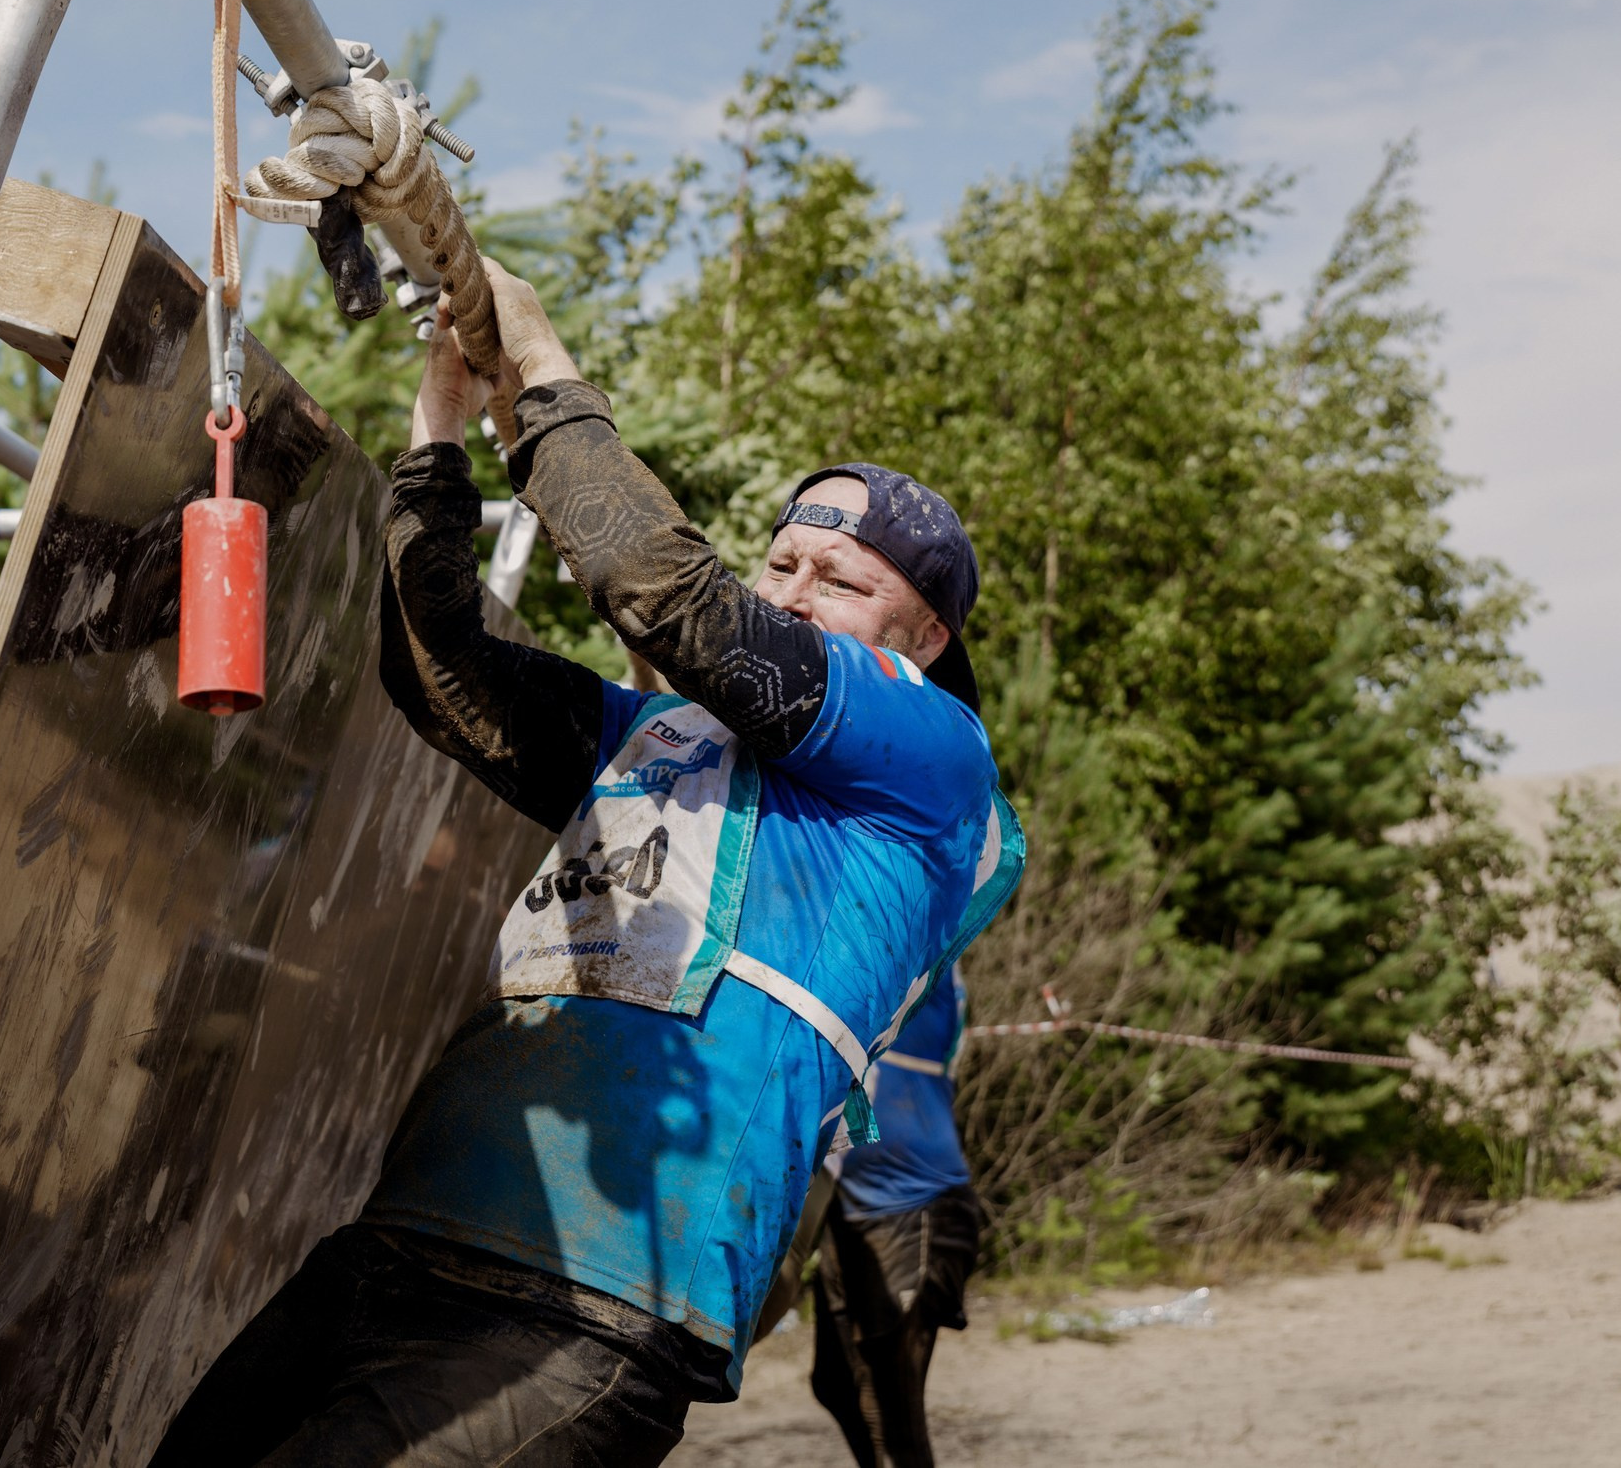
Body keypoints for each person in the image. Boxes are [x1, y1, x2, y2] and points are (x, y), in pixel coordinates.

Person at [152, 261, 1014, 1465]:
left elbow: (670, 599)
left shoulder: (928, 751)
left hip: (598, 1308)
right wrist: (442, 418)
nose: (799, 594)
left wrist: (548, 369)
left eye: (846, 582)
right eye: (783, 566)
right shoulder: (662, 743)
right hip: (406, 1238)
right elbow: (441, 673)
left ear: (921, 636)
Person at [808, 970, 982, 1468]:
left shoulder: (931, 972)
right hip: (852, 1207)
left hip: (917, 1206)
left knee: (895, 1410)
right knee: (836, 1382)